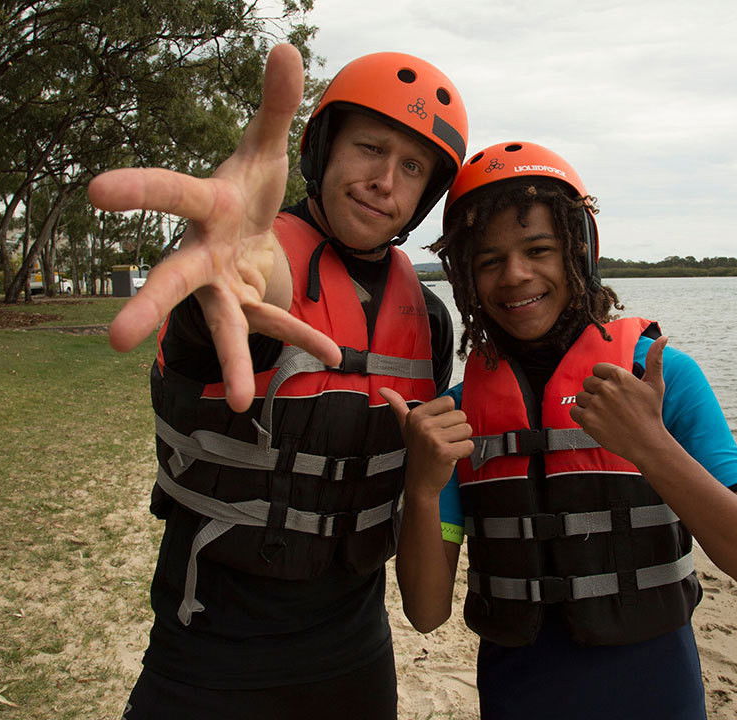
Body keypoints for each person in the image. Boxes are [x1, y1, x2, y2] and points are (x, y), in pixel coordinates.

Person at [89, 45, 468, 719]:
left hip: (354, 654)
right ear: (322, 148)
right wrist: (228, 264)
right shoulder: (253, 268)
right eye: (370, 148)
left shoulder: (431, 322)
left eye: (412, 167)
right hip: (209, 653)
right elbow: (247, 293)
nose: (385, 181)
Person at [381, 142, 737, 719]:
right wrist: (423, 488)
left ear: (579, 250)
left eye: (538, 250)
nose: (515, 275)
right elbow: (426, 614)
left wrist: (650, 444)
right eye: (489, 260)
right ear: (466, 277)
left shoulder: (661, 378)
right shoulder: (457, 415)